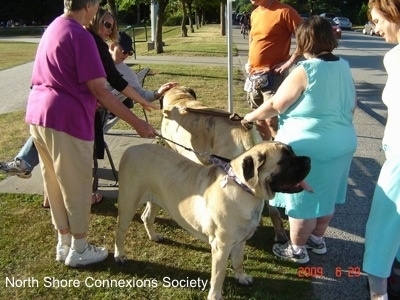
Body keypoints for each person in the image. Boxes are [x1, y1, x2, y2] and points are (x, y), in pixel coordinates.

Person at [25, 0, 157, 267]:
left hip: (38, 115)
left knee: (54, 184)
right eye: (96, 4)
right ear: (89, 5)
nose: (98, 9)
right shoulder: (80, 34)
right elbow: (101, 89)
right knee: (76, 187)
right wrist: (138, 124)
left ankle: (64, 243)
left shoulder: (54, 27)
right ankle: (80, 248)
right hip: (66, 120)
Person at [241, 15, 357, 264]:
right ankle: (317, 240)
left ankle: (296, 249)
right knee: (325, 196)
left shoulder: (306, 70)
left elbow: (276, 104)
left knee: (303, 202)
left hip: (310, 147)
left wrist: (249, 116)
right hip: (343, 142)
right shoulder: (344, 67)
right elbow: (352, 106)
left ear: (303, 42)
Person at [362, 1, 400, 299]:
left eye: (378, 20)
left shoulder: (395, 57)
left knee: (382, 227)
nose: (376, 27)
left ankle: (378, 294)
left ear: (393, 16)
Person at [244, 0, 303, 141]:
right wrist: (249, 60)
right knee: (259, 117)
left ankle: (282, 156)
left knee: (272, 120)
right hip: (254, 75)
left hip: (274, 75)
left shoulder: (285, 12)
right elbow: (253, 38)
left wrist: (289, 61)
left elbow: (306, 38)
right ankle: (266, 152)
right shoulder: (255, 13)